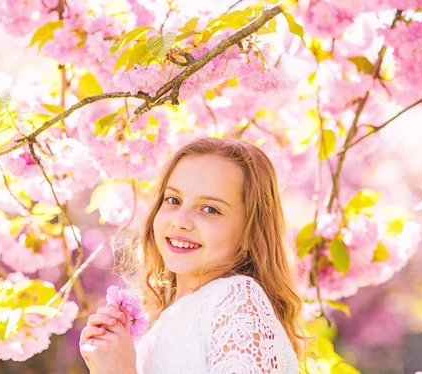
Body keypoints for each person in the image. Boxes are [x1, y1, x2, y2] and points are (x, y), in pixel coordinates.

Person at [79, 137, 304, 373]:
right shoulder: (163, 324)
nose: (180, 221)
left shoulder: (235, 298)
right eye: (173, 200)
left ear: (250, 233)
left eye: (210, 209)